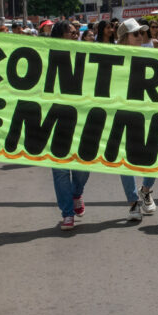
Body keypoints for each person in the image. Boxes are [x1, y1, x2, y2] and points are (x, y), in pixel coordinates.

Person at [115, 18, 158, 222]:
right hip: (122, 114)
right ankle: (133, 202)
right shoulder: (111, 57)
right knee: (125, 160)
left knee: (155, 155)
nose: (141, 37)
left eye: (142, 33)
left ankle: (146, 190)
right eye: (136, 34)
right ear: (124, 37)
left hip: (148, 113)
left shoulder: (150, 55)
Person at [48, 21, 90, 230]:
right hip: (56, 121)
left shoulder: (87, 56)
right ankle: (67, 213)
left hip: (83, 121)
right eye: (71, 33)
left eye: (76, 33)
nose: (76, 36)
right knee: (61, 170)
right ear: (59, 36)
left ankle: (76, 193)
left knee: (83, 167)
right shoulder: (47, 58)